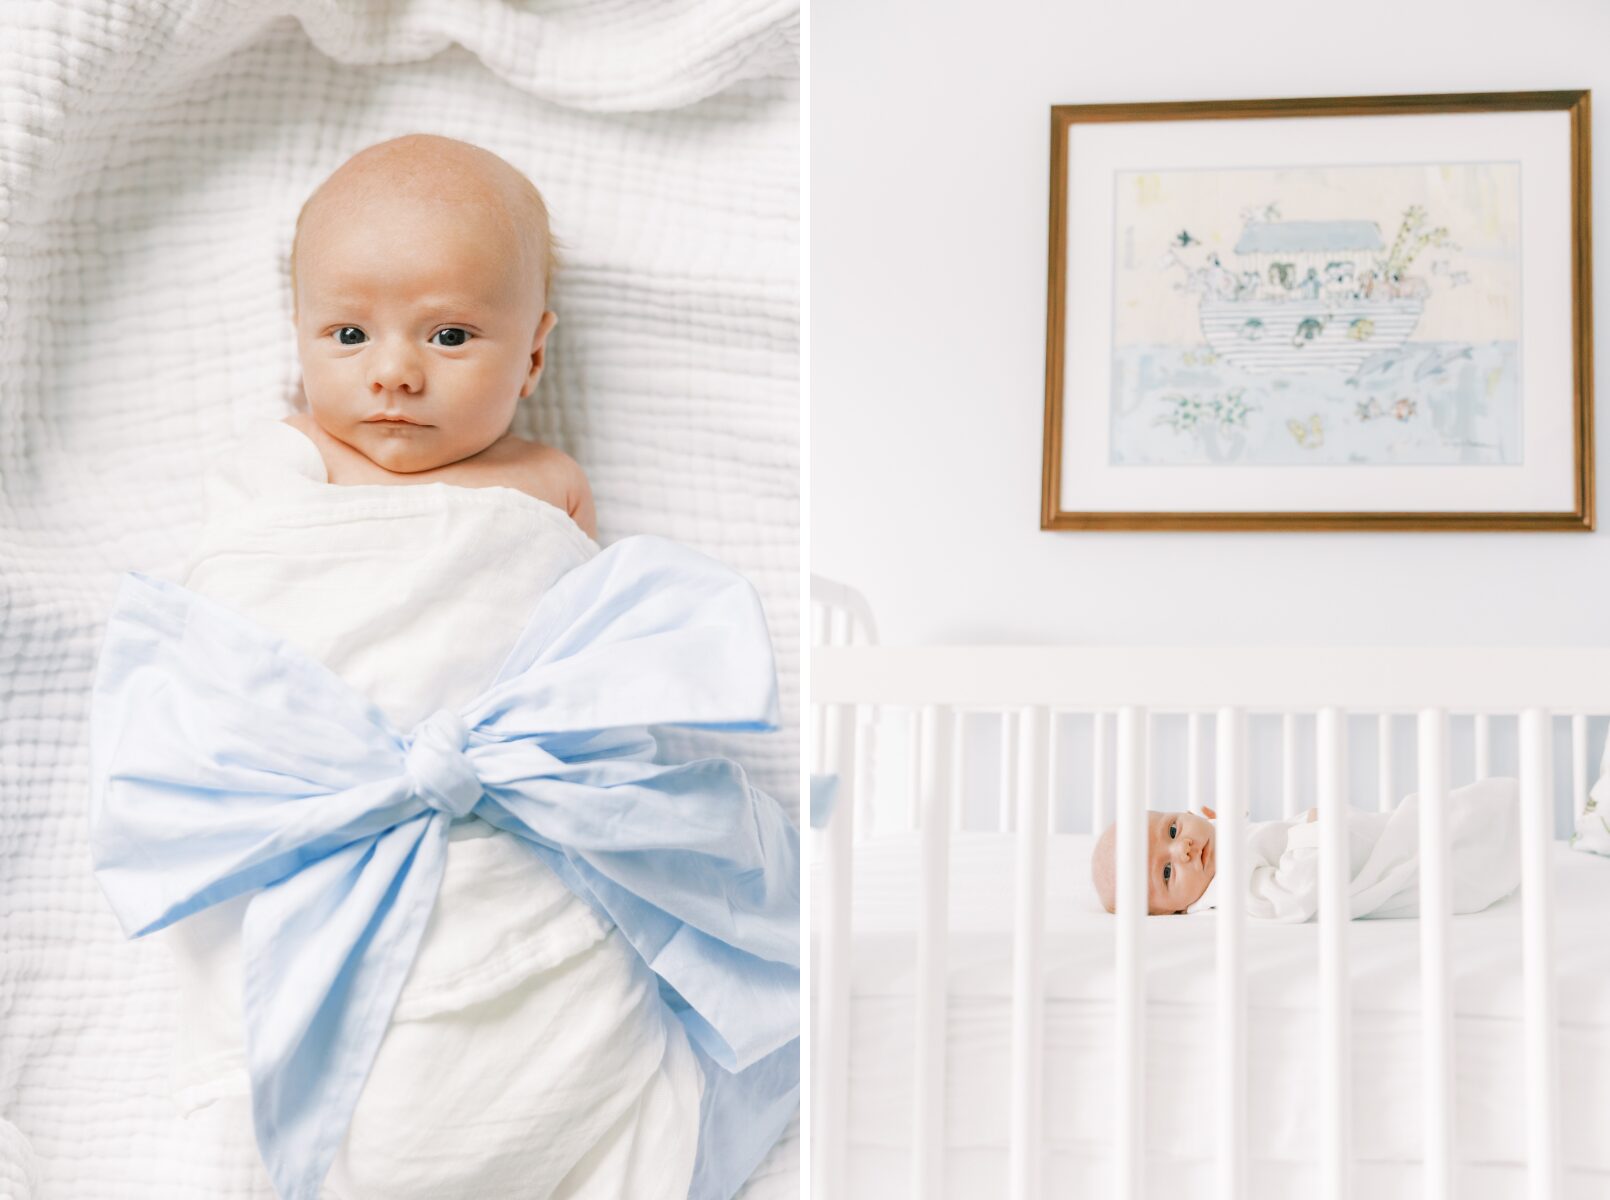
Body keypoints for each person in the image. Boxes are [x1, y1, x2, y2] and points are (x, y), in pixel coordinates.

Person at [1090, 778, 1521, 922]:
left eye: (1171, 828)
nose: (1181, 850)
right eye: (1166, 874)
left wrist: (1225, 824)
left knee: (1441, 816)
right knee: (1447, 836)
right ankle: (1513, 825)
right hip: (1373, 866)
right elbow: (1292, 895)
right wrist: (1311, 831)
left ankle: (1512, 819)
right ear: (1175, 912)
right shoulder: (1230, 891)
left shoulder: (1218, 854)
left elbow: (1252, 840)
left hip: (1371, 839)